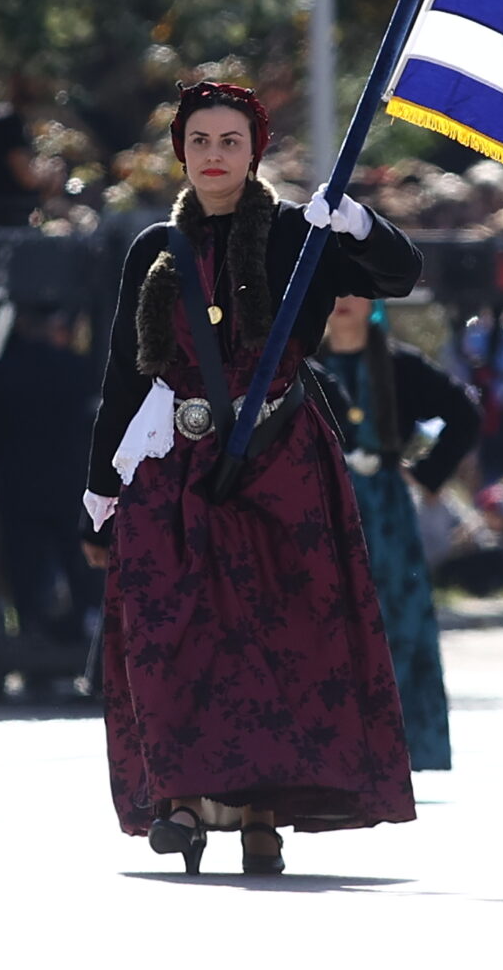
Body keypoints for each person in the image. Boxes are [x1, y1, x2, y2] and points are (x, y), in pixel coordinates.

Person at [82, 82, 421, 876]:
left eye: (229, 140)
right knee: (173, 634)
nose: (213, 155)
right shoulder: (154, 247)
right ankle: (180, 801)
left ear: (254, 150)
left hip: (278, 459)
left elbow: (400, 273)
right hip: (173, 463)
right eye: (200, 140)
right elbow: (124, 376)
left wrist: (360, 225)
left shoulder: (302, 234)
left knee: (280, 637)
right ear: (181, 150)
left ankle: (264, 808)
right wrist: (98, 484)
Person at [319, 295, 482, 772]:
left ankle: (397, 745)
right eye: (334, 287)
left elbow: (464, 413)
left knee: (397, 623)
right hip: (324, 507)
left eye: (355, 289)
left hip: (386, 515)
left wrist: (428, 474)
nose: (343, 299)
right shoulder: (307, 364)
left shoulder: (399, 364)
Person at [0, 301, 105, 663]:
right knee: (80, 565)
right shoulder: (76, 368)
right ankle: (86, 639)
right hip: (70, 485)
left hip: (18, 485)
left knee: (25, 568)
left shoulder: (2, 372)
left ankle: (31, 638)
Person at [0, 83, 46, 227]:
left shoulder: (5, 123)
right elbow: (27, 177)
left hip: (0, 217)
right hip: (11, 221)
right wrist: (48, 175)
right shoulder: (9, 125)